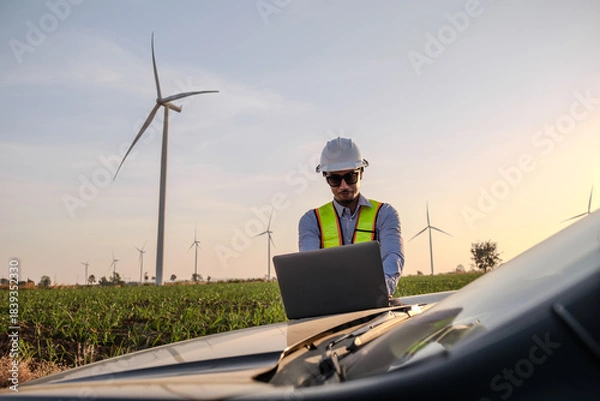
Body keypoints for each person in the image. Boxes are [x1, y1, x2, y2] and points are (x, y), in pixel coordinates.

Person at [298, 137, 405, 297]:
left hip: (373, 304)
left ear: (361, 173)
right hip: (329, 304)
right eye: (335, 179)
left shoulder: (384, 214)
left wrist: (378, 292)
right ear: (326, 178)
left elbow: (392, 258)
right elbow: (310, 269)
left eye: (350, 177)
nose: (344, 186)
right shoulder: (312, 220)